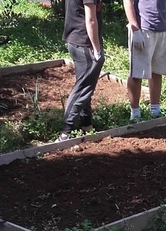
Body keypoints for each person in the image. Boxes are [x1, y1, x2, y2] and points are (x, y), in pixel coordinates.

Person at [123, 0, 166, 121]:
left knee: (157, 71)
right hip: (143, 29)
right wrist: (135, 30)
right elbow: (128, 2)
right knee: (137, 73)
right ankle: (135, 113)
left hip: (164, 29)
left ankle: (155, 110)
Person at [57, 0, 105, 142]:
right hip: (85, 43)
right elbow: (90, 20)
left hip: (75, 40)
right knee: (82, 88)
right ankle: (65, 132)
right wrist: (97, 49)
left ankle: (86, 125)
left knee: (86, 85)